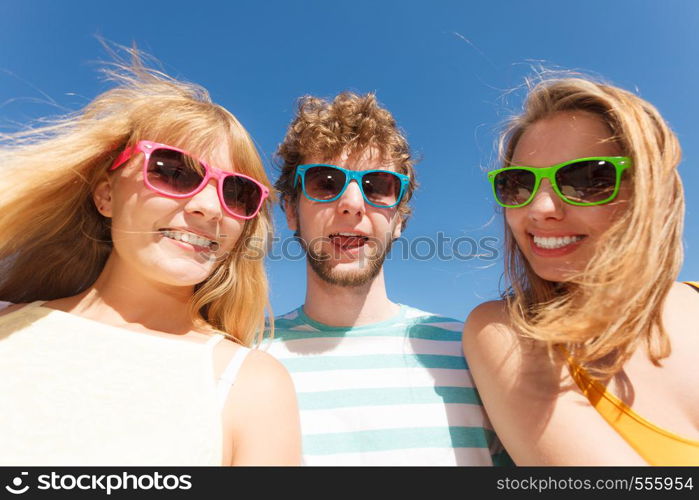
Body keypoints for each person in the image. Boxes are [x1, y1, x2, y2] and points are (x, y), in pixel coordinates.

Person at [0, 50, 301, 466]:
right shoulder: (7, 326)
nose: (211, 207)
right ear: (106, 194)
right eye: (173, 170)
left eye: (238, 193)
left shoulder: (252, 386)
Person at [462, 75, 699, 465]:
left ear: (650, 190)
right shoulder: (507, 332)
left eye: (586, 180)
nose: (539, 209)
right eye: (518, 184)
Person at [265, 91, 509, 465]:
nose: (352, 203)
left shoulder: (474, 355)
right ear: (291, 213)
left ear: (399, 221)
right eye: (325, 182)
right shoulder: (244, 357)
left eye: (378, 186)